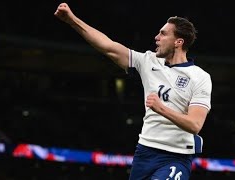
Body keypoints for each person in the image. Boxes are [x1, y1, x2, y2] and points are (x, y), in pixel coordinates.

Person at [54, 2, 212, 180]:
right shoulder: (147, 62)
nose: (156, 37)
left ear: (178, 42)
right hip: (144, 152)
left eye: (163, 33)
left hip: (176, 157)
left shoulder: (200, 77)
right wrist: (72, 20)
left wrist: (161, 109)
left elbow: (195, 125)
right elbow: (108, 46)